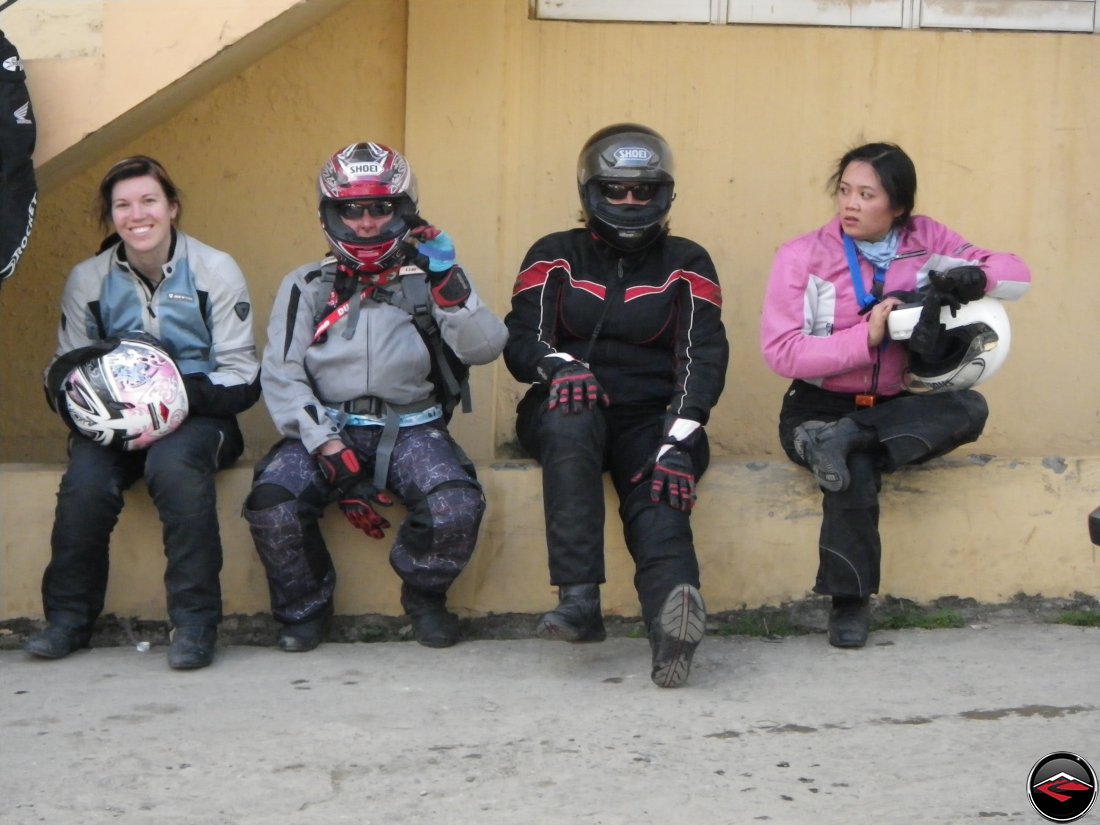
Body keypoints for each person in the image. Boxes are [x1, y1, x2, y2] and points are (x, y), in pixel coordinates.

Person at [759, 141, 1031, 648]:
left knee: (969, 406)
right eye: (844, 191)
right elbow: (782, 352)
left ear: (899, 206)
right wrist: (865, 338)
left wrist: (979, 275)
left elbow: (1018, 274)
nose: (850, 205)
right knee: (853, 469)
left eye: (867, 194)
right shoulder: (802, 255)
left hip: (892, 408)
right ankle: (849, 604)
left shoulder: (926, 242)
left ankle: (848, 437)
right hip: (815, 409)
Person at [244, 142, 506, 652]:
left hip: (412, 427)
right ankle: (304, 610)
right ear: (331, 214)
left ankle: (425, 597)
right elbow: (280, 373)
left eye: (380, 209)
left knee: (455, 506)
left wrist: (447, 282)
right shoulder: (305, 284)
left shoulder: (429, 277)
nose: (365, 224)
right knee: (272, 503)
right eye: (351, 210)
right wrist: (324, 444)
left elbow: (486, 347)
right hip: (324, 427)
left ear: (404, 210)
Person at [504, 123, 728, 688]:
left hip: (653, 415)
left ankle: (671, 627)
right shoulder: (553, 253)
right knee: (572, 414)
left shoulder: (689, 261)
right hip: (563, 406)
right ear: (589, 193)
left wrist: (678, 443)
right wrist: (561, 367)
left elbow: (702, 358)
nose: (630, 202)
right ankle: (579, 600)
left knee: (661, 485)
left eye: (643, 191)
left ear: (665, 194)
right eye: (615, 190)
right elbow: (522, 338)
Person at [26, 155, 261, 669]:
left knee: (173, 468)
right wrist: (100, 408)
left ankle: (196, 625)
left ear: (172, 208)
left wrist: (171, 396)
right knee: (85, 482)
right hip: (114, 423)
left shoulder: (215, 269)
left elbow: (243, 375)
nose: (138, 215)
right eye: (123, 206)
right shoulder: (87, 280)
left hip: (202, 417)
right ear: (111, 218)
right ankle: (67, 620)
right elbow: (63, 373)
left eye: (149, 201)